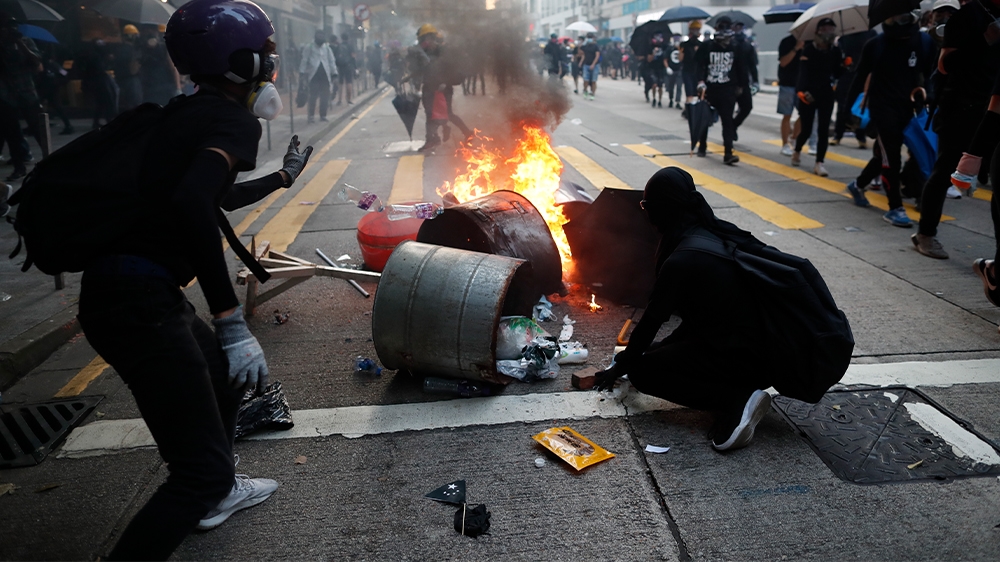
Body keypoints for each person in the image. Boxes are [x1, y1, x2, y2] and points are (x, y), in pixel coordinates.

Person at [80, 1, 314, 558]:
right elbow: (192, 202)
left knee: (222, 374)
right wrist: (230, 319)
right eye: (269, 52)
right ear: (241, 61)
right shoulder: (230, 120)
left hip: (130, 295)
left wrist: (283, 177)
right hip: (138, 307)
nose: (274, 63)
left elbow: (215, 196)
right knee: (195, 477)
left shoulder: (185, 113)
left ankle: (222, 486)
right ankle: (212, 488)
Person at [593, 167, 775, 451]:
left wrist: (624, 366)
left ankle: (735, 399)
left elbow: (652, 319)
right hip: (749, 345)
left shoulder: (682, 259)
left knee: (643, 373)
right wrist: (635, 356)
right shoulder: (704, 231)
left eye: (646, 206)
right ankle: (736, 387)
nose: (646, 214)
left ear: (663, 209)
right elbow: (694, 320)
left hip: (739, 355)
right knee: (650, 351)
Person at [913, 0, 1000, 259]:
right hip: (961, 108)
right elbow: (944, 64)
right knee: (944, 171)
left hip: (992, 106)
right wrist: (986, 39)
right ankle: (925, 234)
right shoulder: (966, 17)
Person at [847, 10, 935, 227]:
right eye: (892, 16)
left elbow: (931, 74)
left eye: (903, 16)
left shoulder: (924, 42)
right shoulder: (875, 45)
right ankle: (895, 207)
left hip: (911, 110)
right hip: (882, 110)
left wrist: (930, 95)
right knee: (891, 158)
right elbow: (858, 78)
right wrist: (846, 114)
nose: (898, 20)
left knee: (885, 156)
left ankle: (858, 184)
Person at [790, 18, 846, 177]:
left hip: (826, 93)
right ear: (817, 32)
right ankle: (798, 150)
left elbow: (837, 73)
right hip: (808, 93)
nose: (827, 32)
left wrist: (845, 65)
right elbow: (803, 73)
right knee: (806, 129)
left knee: (823, 129)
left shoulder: (836, 51)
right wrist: (800, 90)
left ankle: (819, 162)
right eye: (824, 29)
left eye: (831, 29)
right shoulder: (808, 50)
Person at [695, 16, 745, 165]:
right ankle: (702, 145)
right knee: (705, 119)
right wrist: (700, 82)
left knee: (727, 122)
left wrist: (741, 86)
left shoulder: (735, 46)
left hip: (727, 90)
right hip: (709, 89)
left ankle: (728, 152)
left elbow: (740, 67)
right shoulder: (707, 46)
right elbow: (698, 65)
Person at [416, 25, 472, 152]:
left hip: (443, 89)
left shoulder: (444, 52)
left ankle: (467, 132)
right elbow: (421, 70)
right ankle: (432, 139)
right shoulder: (424, 54)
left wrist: (445, 83)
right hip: (429, 88)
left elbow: (452, 70)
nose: (425, 42)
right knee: (430, 114)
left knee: (447, 114)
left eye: (427, 39)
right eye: (423, 40)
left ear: (432, 38)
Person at [0, 14, 40, 180]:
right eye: (7, 27)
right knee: (12, 134)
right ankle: (19, 166)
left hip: (27, 92)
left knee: (38, 129)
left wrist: (20, 43)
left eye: (14, 27)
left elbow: (36, 62)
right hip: (6, 95)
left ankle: (50, 160)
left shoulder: (25, 41)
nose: (11, 30)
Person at [831, 29, 876, 148]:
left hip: (863, 76)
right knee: (842, 107)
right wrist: (843, 61)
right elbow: (837, 59)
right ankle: (838, 134)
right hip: (847, 76)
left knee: (861, 107)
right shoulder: (844, 37)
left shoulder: (871, 35)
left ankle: (861, 136)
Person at [298, 29, 337, 123]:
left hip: (325, 76)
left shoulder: (327, 48)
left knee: (325, 97)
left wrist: (334, 73)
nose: (320, 37)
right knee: (313, 97)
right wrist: (302, 73)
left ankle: (323, 115)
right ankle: (311, 116)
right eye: (319, 35)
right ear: (315, 36)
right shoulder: (309, 47)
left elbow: (331, 62)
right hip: (313, 75)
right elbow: (304, 60)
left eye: (322, 36)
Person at [730, 21, 759, 141]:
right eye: (736, 26)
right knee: (727, 110)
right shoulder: (727, 44)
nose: (738, 29)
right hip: (729, 82)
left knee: (747, 107)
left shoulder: (747, 45)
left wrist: (755, 81)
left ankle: (733, 126)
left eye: (740, 27)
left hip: (744, 81)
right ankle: (728, 134)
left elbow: (753, 64)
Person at [776, 33, 803, 156]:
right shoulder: (787, 41)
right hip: (787, 83)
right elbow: (783, 62)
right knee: (787, 114)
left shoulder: (811, 43)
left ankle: (794, 136)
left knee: (805, 114)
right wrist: (796, 48)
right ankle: (785, 143)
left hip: (804, 84)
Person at [139, 27, 181, 105]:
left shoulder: (162, 48)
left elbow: (173, 68)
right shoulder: (144, 49)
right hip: (154, 88)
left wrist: (178, 87)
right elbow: (173, 68)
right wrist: (178, 87)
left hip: (158, 88)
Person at [113, 24, 143, 113]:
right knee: (135, 106)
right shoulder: (133, 50)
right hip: (132, 82)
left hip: (120, 81)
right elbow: (133, 70)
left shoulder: (118, 49)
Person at [679, 21, 702, 109]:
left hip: (698, 72)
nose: (695, 31)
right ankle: (688, 110)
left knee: (699, 94)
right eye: (694, 29)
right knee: (689, 93)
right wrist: (681, 51)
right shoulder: (684, 45)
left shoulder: (701, 45)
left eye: (697, 29)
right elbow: (680, 59)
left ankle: (697, 110)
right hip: (687, 71)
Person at [647, 33, 667, 108]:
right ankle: (654, 98)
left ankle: (659, 100)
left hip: (661, 68)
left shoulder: (664, 46)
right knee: (654, 84)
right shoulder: (650, 47)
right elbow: (649, 59)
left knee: (660, 86)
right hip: (653, 68)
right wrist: (654, 53)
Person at [335, 33, 355, 105]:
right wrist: (355, 66)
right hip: (348, 66)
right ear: (348, 38)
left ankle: (339, 100)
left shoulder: (339, 46)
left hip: (340, 67)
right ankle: (348, 99)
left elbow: (336, 56)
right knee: (349, 82)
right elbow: (353, 57)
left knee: (340, 83)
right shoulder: (350, 46)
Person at [580, 32, 600, 100]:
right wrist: (584, 42)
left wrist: (593, 64)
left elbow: (597, 55)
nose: (589, 39)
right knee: (586, 80)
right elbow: (580, 49)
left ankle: (592, 93)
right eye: (588, 38)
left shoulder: (596, 46)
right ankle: (585, 90)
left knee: (593, 81)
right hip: (586, 65)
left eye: (590, 38)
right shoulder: (586, 46)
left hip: (594, 66)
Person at [665, 34, 683, 109]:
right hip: (671, 69)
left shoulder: (682, 49)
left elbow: (683, 59)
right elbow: (665, 59)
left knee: (679, 86)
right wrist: (667, 68)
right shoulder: (669, 49)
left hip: (679, 70)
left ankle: (678, 102)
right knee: (671, 86)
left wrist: (680, 49)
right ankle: (671, 99)